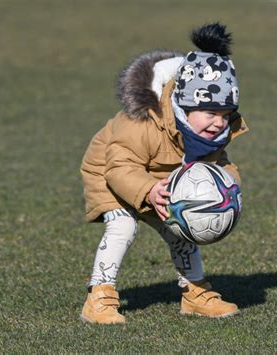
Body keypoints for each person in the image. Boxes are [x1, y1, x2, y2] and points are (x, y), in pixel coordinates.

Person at [79, 23, 249, 324]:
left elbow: (222, 166)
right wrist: (148, 191)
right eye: (210, 113)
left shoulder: (208, 136)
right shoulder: (143, 122)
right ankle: (99, 297)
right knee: (123, 227)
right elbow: (120, 167)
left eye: (225, 115)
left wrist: (229, 189)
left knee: (180, 232)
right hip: (111, 173)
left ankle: (195, 293)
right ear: (184, 105)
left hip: (163, 182)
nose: (218, 124)